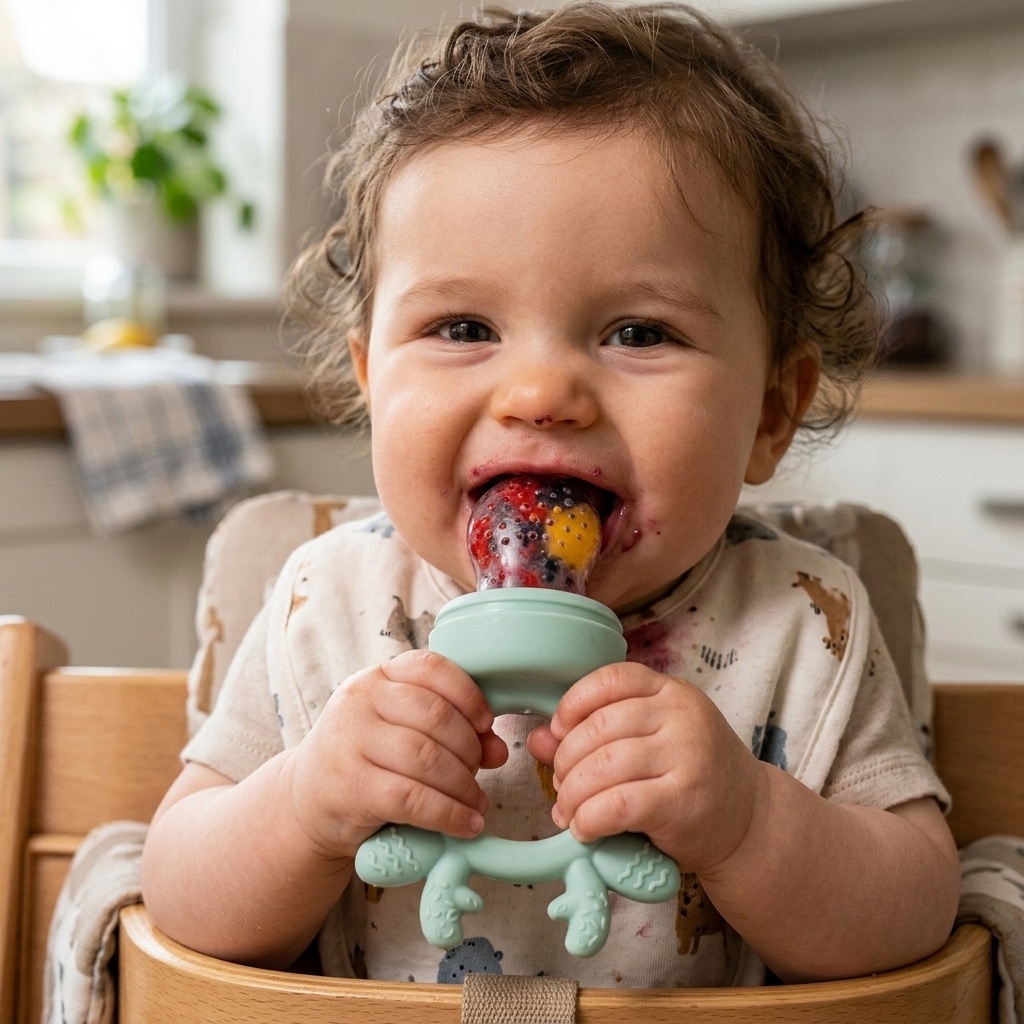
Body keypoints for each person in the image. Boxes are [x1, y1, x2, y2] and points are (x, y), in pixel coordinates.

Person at [140, 1, 960, 989]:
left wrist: (749, 821)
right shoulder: (327, 600)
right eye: (463, 328)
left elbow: (917, 915)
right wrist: (304, 804)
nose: (538, 393)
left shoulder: (802, 619)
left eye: (638, 333)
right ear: (371, 382)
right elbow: (178, 896)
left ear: (770, 412)